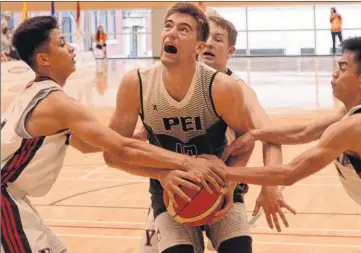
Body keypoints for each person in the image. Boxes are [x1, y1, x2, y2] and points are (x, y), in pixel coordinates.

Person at [1, 15, 225, 253]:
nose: (72, 49)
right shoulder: (58, 104)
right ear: (44, 59)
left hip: (13, 198)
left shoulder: (35, 94)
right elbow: (121, 149)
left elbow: (88, 145)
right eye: (63, 43)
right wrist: (188, 162)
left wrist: (142, 135)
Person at [223, 37, 361, 253]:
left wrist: (224, 172)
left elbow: (289, 174)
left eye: (343, 68)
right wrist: (255, 134)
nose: (335, 73)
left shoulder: (355, 126)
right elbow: (305, 132)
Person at [137, 14, 295, 253]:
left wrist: (269, 186)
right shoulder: (166, 82)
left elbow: (270, 136)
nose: (209, 43)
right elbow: (135, 140)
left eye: (217, 39)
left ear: (230, 51)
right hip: (175, 189)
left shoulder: (237, 88)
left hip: (221, 185)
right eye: (206, 37)